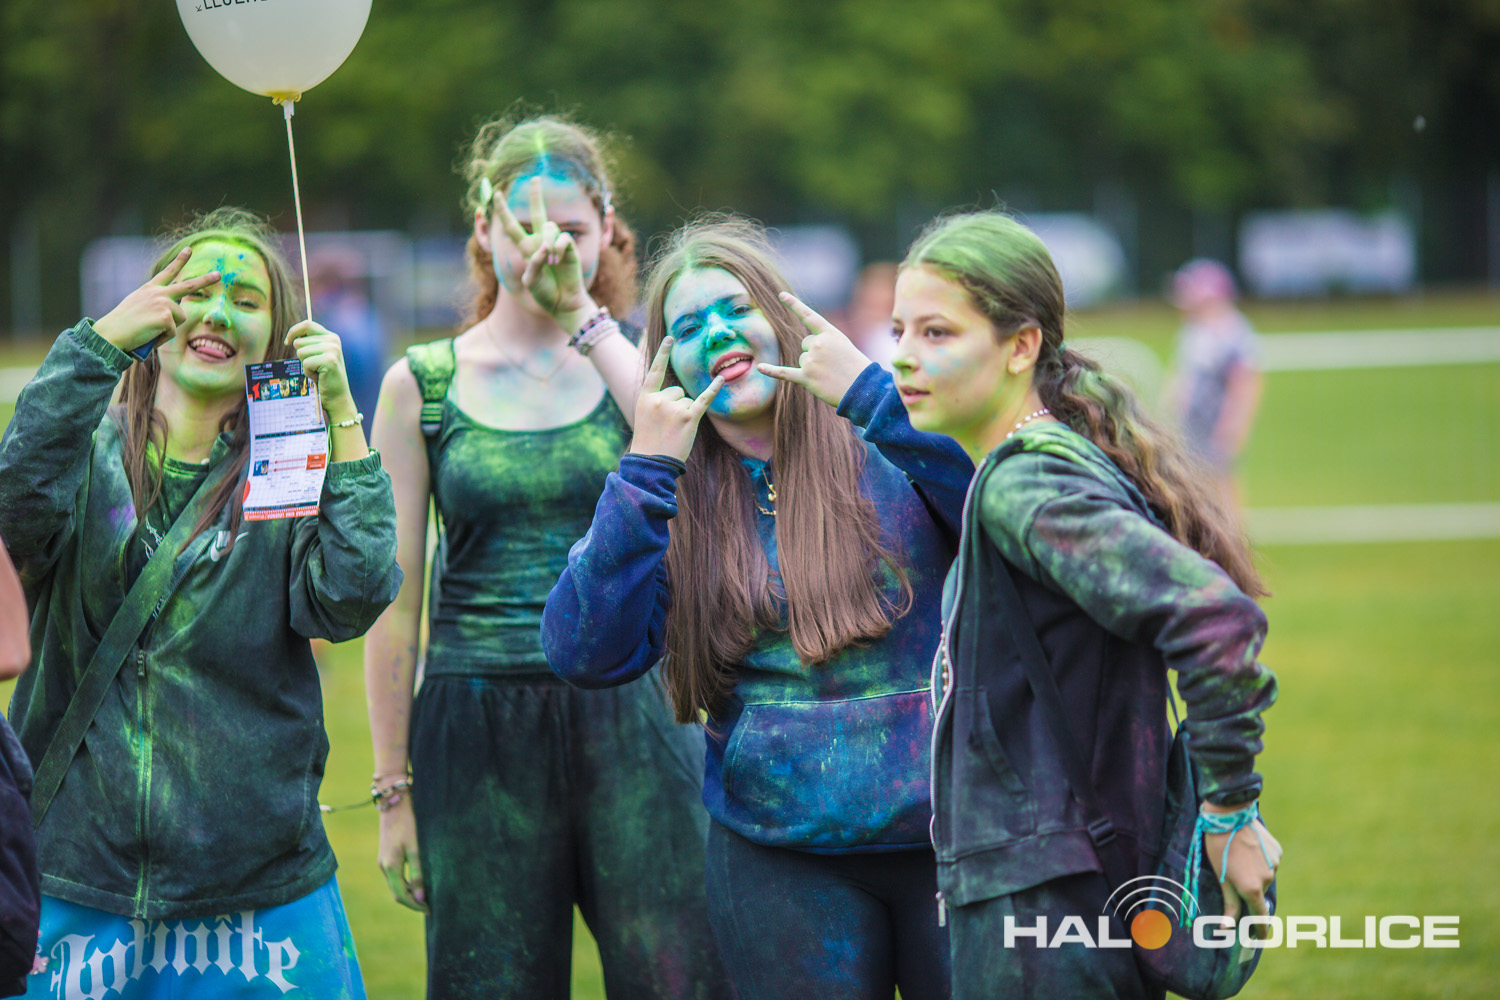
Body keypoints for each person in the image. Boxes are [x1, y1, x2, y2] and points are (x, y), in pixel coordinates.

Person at [542, 217, 974, 1000]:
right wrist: (643, 471)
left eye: (736, 309)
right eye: (688, 327)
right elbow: (583, 652)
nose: (717, 334)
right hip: (776, 857)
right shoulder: (661, 495)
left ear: (781, 317)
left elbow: (999, 518)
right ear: (668, 364)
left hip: (952, 839)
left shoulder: (888, 433)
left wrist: (876, 399)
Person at [364, 114, 731, 999]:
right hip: (476, 724)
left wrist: (584, 319)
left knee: (679, 978)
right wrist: (393, 791)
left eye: (569, 227)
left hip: (637, 713)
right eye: (525, 225)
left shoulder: (638, 365)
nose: (548, 247)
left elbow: (700, 450)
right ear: (482, 230)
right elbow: (394, 605)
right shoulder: (422, 384)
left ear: (606, 229)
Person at [0, 207, 401, 998]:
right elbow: (11, 521)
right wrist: (98, 344)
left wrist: (341, 414)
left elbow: (350, 598)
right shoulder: (81, 449)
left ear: (276, 334)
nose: (218, 314)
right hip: (75, 875)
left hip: (257, 888)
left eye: (246, 301)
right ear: (156, 310)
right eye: (197, 293)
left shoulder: (287, 464)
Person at [888, 211, 1280, 999]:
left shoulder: (1026, 483)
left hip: (1046, 893)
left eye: (936, 333)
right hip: (1066, 876)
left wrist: (1229, 808)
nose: (902, 354)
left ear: (1021, 346)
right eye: (899, 330)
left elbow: (1212, 616)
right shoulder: (1051, 456)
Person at [1164, 258, 1263, 512]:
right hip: (1191, 424)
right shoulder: (1192, 332)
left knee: (1221, 480)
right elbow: (1184, 374)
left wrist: (1234, 425)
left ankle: (1231, 532)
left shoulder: (1233, 333)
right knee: (1193, 481)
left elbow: (1245, 381)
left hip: (1217, 422)